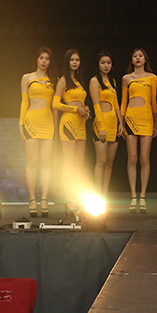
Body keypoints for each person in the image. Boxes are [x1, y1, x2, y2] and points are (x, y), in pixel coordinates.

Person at [53, 49, 90, 215]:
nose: (75, 62)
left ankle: (76, 195)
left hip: (81, 123)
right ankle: (68, 198)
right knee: (68, 162)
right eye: (72, 60)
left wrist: (85, 108)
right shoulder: (63, 80)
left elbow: (80, 101)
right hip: (68, 123)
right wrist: (76, 109)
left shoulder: (79, 81)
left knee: (79, 163)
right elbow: (55, 104)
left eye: (77, 60)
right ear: (67, 62)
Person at [121, 48, 157, 213]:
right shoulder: (126, 78)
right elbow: (123, 101)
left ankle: (142, 195)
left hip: (147, 119)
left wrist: (156, 124)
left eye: (140, 55)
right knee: (132, 158)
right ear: (132, 60)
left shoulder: (152, 77)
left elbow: (154, 101)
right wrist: (121, 123)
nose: (137, 58)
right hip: (130, 118)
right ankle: (133, 195)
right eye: (134, 56)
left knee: (144, 158)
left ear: (145, 59)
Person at [21, 47, 55, 217]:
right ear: (36, 59)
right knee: (32, 162)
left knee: (47, 162)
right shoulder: (27, 78)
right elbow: (24, 102)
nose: (44, 61)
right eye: (41, 58)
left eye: (47, 59)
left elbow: (56, 104)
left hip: (48, 123)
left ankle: (45, 199)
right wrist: (21, 124)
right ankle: (32, 199)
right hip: (31, 122)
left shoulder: (53, 80)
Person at [90, 51, 124, 198]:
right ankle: (97, 196)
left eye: (108, 63)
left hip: (113, 124)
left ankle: (104, 195)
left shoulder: (112, 81)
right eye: (103, 62)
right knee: (101, 161)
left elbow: (116, 104)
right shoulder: (94, 81)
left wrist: (120, 123)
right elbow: (96, 105)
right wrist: (101, 127)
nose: (106, 65)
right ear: (98, 64)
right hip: (101, 124)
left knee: (110, 162)